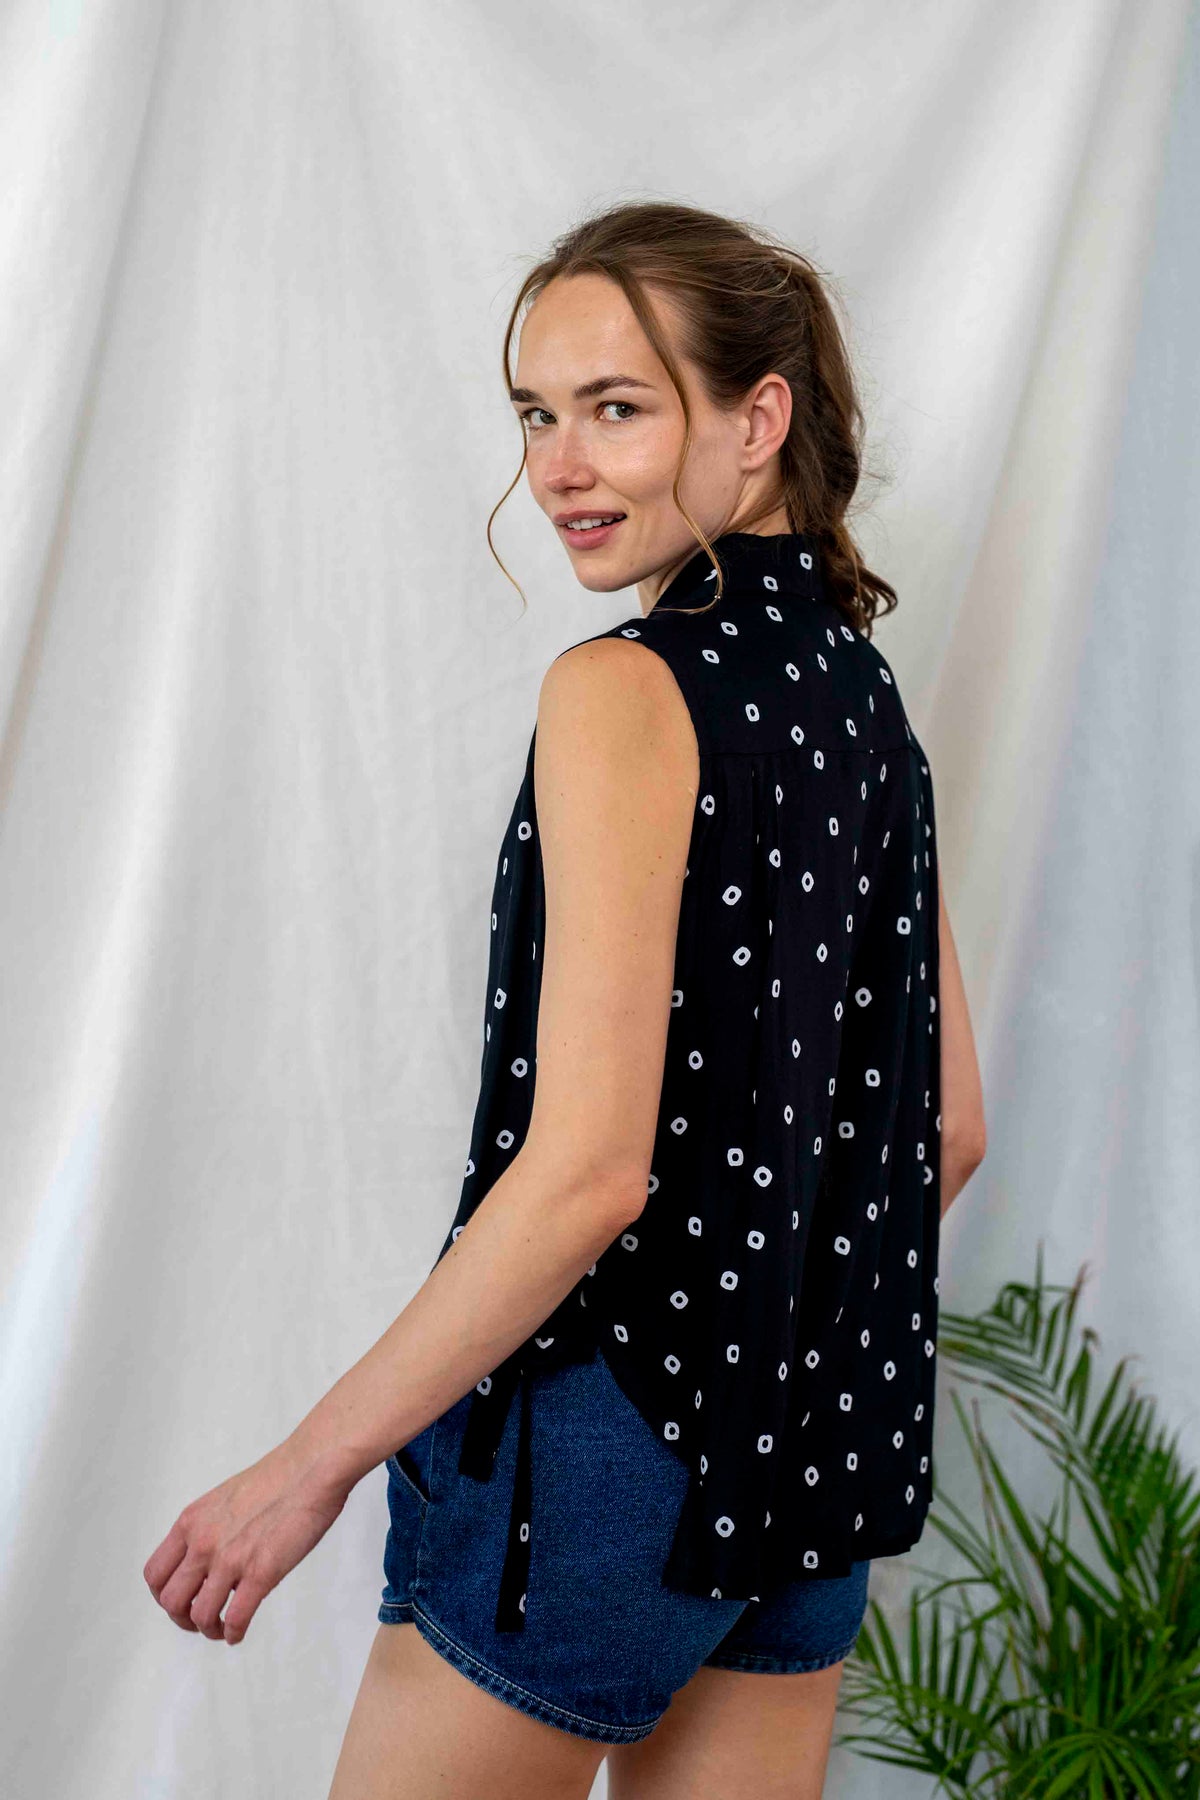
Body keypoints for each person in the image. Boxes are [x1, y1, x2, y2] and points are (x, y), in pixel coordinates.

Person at [143, 200, 986, 1800]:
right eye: (537, 414)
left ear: (759, 417)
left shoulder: (625, 690)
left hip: (615, 1444)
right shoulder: (862, 695)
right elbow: (948, 1130)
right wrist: (777, 1333)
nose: (559, 468)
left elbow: (593, 1173)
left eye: (616, 408)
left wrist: (305, 1470)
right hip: (814, 1449)